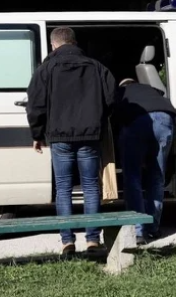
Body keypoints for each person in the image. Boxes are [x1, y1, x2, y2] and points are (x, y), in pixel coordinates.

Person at [26, 27, 117, 255]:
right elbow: (111, 98)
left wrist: (37, 134)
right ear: (74, 42)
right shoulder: (97, 67)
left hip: (59, 137)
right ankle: (93, 239)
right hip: (90, 136)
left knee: (64, 188)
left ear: (53, 45)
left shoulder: (45, 69)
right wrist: (98, 120)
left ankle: (67, 241)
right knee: (91, 187)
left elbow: (35, 104)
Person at [113, 78, 176, 245]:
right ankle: (153, 228)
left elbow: (115, 116)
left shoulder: (121, 93)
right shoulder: (150, 89)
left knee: (133, 176)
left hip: (137, 121)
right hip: (164, 118)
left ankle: (138, 230)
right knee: (156, 177)